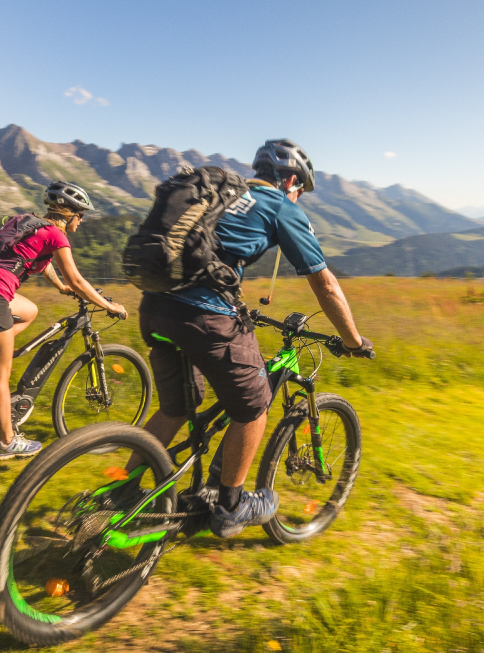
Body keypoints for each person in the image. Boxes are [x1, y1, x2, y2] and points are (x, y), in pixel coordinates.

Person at [132, 139, 373, 538]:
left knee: (177, 407)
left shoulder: (222, 194)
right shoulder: (281, 205)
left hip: (155, 307)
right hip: (204, 315)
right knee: (254, 406)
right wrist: (353, 340)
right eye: (301, 190)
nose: (300, 198)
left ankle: (124, 491)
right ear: (291, 179)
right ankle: (230, 506)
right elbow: (324, 283)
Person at [0, 181, 128, 461]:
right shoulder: (56, 235)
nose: (82, 220)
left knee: (29, 311)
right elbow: (77, 278)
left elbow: (42, 261)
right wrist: (109, 305)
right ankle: (7, 442)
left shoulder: (32, 224)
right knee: (1, 376)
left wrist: (60, 287)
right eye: (81, 214)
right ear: (69, 213)